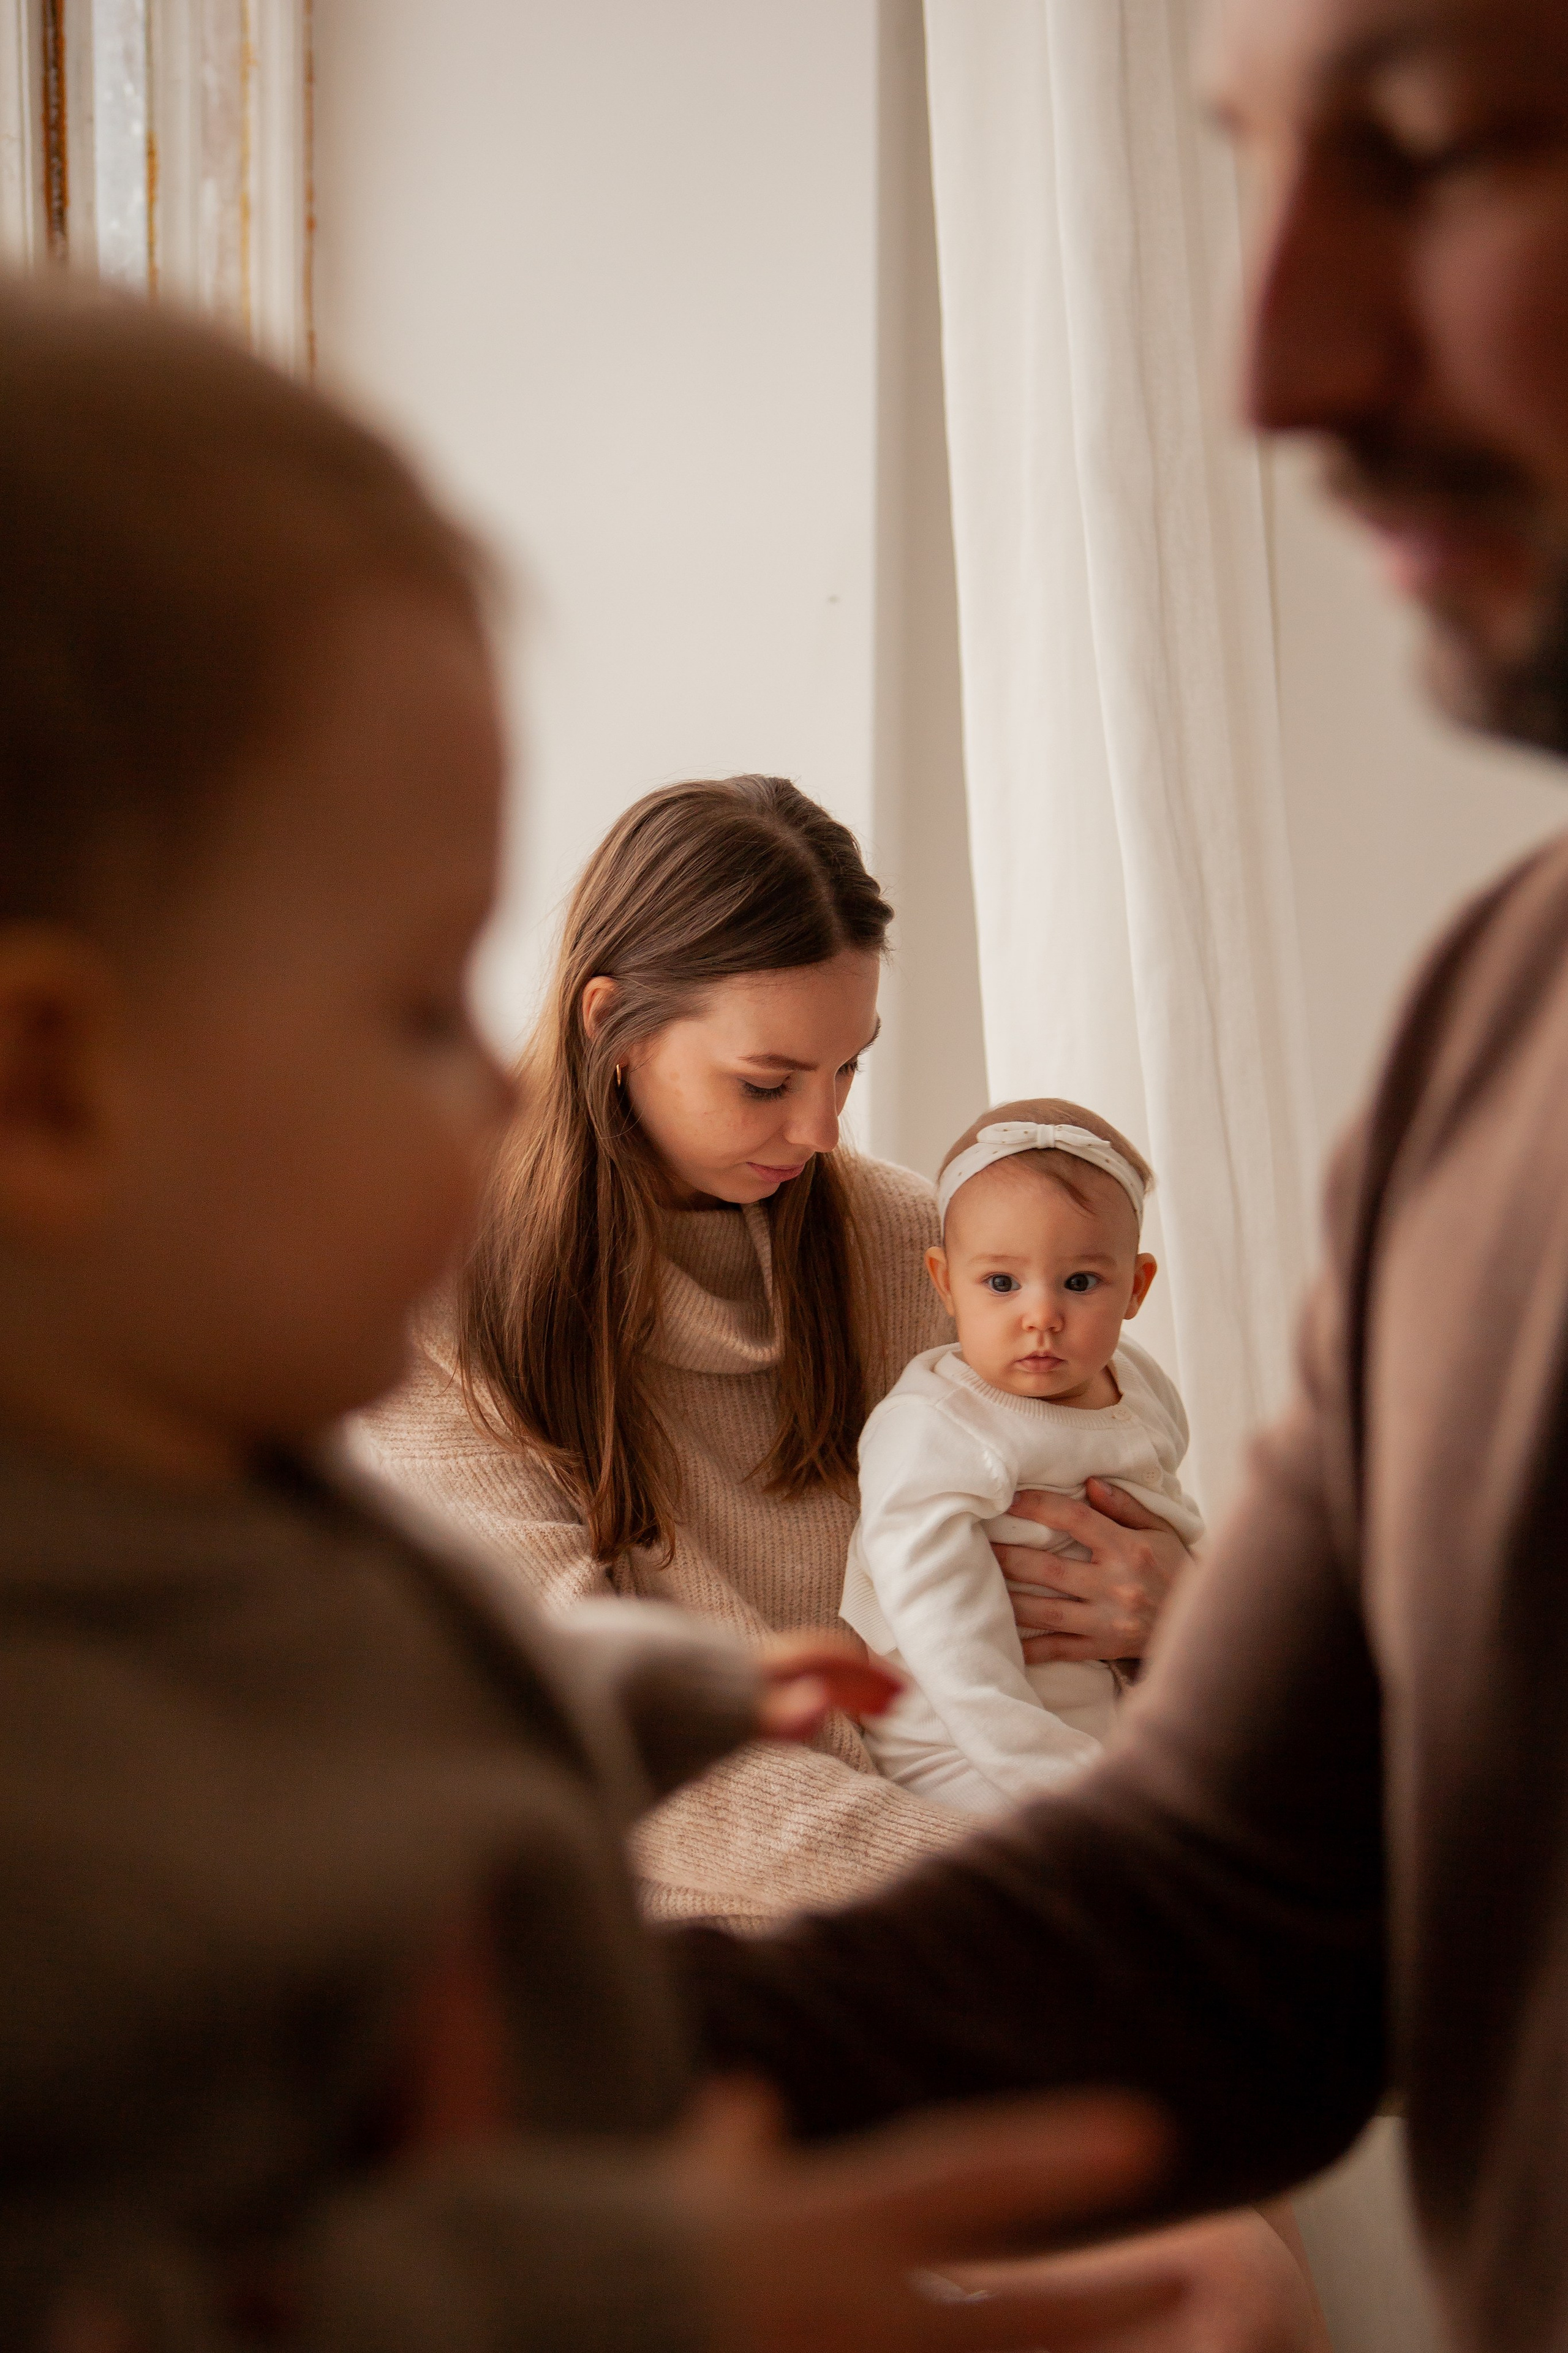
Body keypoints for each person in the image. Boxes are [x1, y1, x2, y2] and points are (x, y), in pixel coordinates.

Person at [0, 274, 1194, 2353]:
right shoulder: (159, 1623)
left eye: (851, 1077)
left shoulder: (880, 1240)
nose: (823, 1134)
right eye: (403, 1008)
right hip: (722, 1990)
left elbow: (494, 1687)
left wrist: (1148, 1602)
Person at [669, 5, 1568, 2351]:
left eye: (1438, 152)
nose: (1263, 368)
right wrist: (410, 2044)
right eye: (1251, 171)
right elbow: (1224, 1924)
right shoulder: (1499, 1036)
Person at [355, 779, 1186, 1925]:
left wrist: (1182, 1612)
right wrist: (1015, 1900)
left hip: (1018, 1878)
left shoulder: (920, 1248)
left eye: (850, 1067)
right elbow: (591, 1732)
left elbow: (1109, 1544)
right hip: (709, 1940)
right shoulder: (429, 1299)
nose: (822, 1130)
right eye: (767, 1083)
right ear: (613, 1026)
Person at [843, 1100, 1203, 1816]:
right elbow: (953, 1649)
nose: (1040, 1316)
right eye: (1001, 1284)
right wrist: (1075, 1787)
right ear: (945, 1283)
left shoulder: (1136, 1379)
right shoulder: (936, 1429)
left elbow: (1169, 1508)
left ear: (1135, 1287)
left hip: (1112, 1708)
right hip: (967, 1742)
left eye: (1079, 1282)